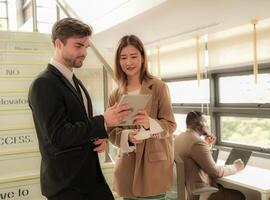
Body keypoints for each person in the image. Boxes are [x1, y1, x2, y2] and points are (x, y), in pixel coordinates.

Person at [28, 18, 130, 200]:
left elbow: (78, 125)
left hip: (89, 179)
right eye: (78, 46)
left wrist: (98, 136)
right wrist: (103, 121)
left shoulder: (75, 81)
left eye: (87, 46)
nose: (84, 52)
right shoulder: (43, 84)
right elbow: (58, 136)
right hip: (66, 185)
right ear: (59, 44)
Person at [108, 35, 176, 200]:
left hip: (154, 167)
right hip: (127, 166)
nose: (128, 62)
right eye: (123, 58)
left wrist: (149, 123)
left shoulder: (159, 87)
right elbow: (111, 132)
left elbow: (171, 125)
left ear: (143, 58)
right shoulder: (116, 94)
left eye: (133, 56)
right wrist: (128, 137)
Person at [174, 111, 246, 200]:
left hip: (185, 191)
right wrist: (236, 167)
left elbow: (192, 157)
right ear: (200, 125)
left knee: (221, 187)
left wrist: (206, 145)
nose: (207, 125)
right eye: (206, 122)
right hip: (200, 193)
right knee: (239, 195)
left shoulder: (178, 138)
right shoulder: (197, 142)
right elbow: (216, 172)